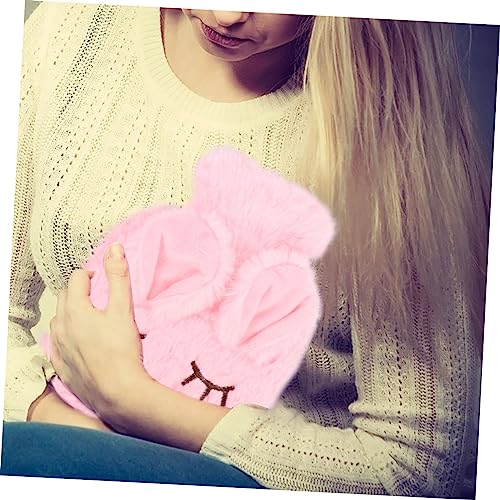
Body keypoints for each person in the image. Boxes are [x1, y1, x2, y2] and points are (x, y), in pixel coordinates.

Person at [1, 2, 491, 498]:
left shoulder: (393, 125)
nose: (227, 15)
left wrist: (130, 399)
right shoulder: (74, 29)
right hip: (52, 447)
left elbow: (416, 465)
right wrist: (66, 426)